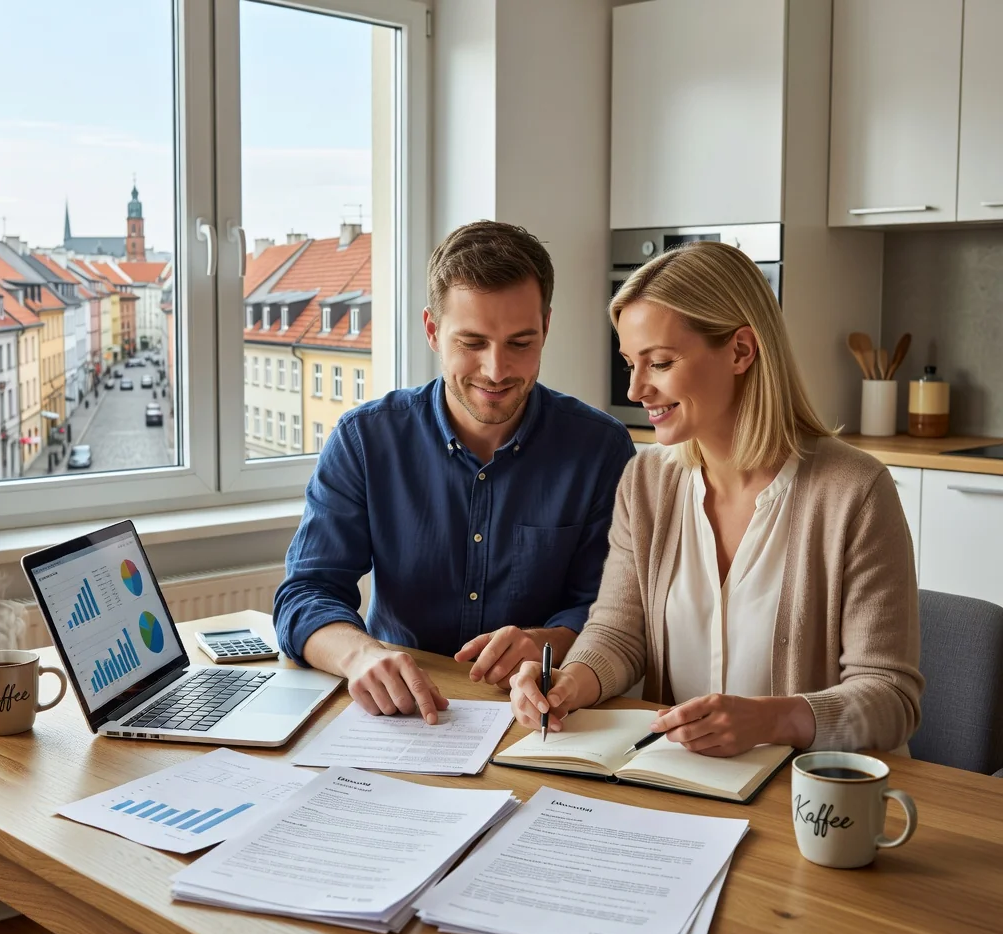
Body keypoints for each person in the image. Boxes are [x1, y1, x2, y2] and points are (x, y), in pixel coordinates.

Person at [510, 240, 923, 755]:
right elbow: (618, 633)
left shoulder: (854, 492)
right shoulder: (646, 482)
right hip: (682, 784)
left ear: (741, 351)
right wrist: (571, 682)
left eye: (659, 363)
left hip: (811, 803)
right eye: (630, 365)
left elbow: (891, 698)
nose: (637, 390)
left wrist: (772, 720)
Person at [274, 221, 635, 724]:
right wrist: (361, 655)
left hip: (539, 719)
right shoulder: (365, 440)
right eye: (472, 342)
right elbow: (305, 593)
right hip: (397, 717)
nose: (496, 370)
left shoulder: (600, 450)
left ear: (546, 328)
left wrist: (545, 640)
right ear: (431, 331)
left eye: (520, 342)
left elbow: (608, 613)